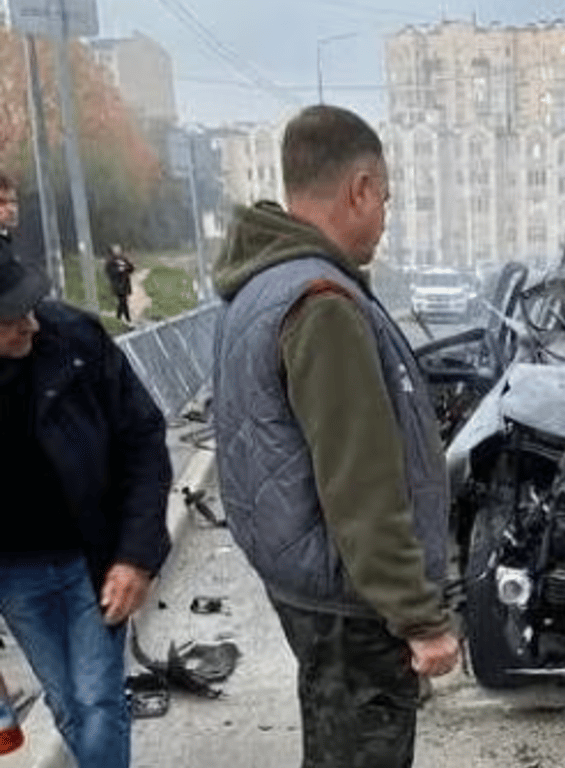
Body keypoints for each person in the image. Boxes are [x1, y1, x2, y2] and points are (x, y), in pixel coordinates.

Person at [210, 105, 461, 768]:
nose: (384, 218)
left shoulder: (260, 285)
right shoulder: (323, 302)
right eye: (385, 198)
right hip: (353, 605)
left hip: (309, 587)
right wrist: (420, 617)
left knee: (334, 746)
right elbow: (362, 485)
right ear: (360, 190)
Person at [0, 170, 173, 768]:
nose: (30, 322)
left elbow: (146, 437)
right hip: (15, 575)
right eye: (8, 316)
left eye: (28, 303)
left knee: (99, 699)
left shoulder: (74, 339)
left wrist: (137, 554)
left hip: (89, 559)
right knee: (68, 703)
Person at [104, 244, 135, 324]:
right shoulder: (110, 262)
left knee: (123, 301)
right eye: (116, 250)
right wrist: (119, 271)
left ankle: (119, 317)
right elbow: (109, 272)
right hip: (117, 284)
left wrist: (127, 268)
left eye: (119, 250)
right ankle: (127, 319)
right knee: (123, 301)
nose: (118, 252)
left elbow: (131, 268)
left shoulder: (124, 260)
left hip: (125, 283)